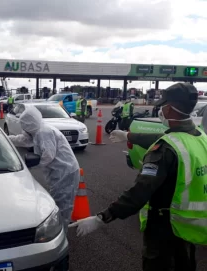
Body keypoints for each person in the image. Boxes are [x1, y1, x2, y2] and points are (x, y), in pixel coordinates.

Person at [69, 83, 205, 271]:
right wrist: (128, 136)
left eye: (163, 105)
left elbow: (139, 192)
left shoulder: (165, 150)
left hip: (165, 227)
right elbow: (164, 137)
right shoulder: (200, 138)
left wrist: (102, 218)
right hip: (190, 229)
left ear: (169, 108)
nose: (161, 109)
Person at [8, 106, 79, 232]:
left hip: (65, 172)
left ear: (29, 124)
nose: (24, 130)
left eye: (25, 127)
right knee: (58, 201)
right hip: (58, 172)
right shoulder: (37, 130)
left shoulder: (44, 132)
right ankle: (58, 229)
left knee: (62, 204)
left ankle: (61, 235)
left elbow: (48, 156)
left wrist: (32, 165)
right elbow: (24, 140)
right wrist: (7, 139)